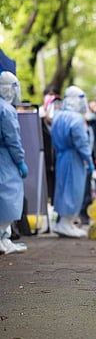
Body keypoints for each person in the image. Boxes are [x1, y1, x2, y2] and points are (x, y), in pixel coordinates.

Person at [51, 85, 94, 238]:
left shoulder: (58, 116)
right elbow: (81, 142)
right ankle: (65, 223)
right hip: (74, 158)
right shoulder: (76, 119)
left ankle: (66, 222)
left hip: (62, 157)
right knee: (73, 190)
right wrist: (88, 160)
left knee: (63, 189)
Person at [0, 71, 28, 254]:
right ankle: (3, 238)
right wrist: (20, 161)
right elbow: (13, 140)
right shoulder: (6, 110)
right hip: (6, 160)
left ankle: (4, 239)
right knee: (9, 199)